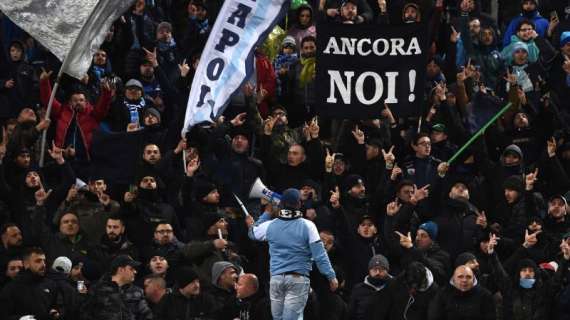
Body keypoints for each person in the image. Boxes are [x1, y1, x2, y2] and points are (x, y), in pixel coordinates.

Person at [249, 188, 338, 320]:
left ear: (282, 204)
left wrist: (267, 212)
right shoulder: (308, 226)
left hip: (276, 280)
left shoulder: (271, 225)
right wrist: (331, 276)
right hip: (297, 279)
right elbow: (320, 255)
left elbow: (252, 232)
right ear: (299, 204)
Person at [80, 255, 152, 320]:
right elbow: (85, 314)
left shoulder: (137, 291)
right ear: (121, 269)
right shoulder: (97, 289)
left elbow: (147, 315)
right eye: (131, 268)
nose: (135, 272)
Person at [0, 247, 60, 320]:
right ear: (26, 264)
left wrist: (54, 312)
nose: (43, 264)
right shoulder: (10, 288)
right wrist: (20, 319)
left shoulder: (51, 284)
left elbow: (56, 307)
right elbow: (3, 315)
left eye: (44, 261)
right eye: (38, 261)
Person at [428, 265, 496, 320]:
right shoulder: (442, 294)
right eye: (460, 277)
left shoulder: (485, 295)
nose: (464, 280)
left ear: (473, 279)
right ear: (454, 279)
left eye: (468, 277)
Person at [154, 266, 220, 319]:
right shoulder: (168, 300)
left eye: (197, 281)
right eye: (192, 282)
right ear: (183, 284)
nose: (197, 285)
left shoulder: (206, 299)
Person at [349, 254, 392, 320]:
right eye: (375, 269)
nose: (378, 273)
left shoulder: (394, 288)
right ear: (369, 270)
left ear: (387, 271)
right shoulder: (358, 289)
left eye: (381, 270)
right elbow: (351, 314)